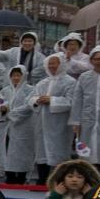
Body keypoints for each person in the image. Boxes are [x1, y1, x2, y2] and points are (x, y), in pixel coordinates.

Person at [28, 53, 77, 185]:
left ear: (61, 64)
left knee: (59, 154)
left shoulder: (70, 82)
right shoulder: (42, 82)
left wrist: (52, 100)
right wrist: (37, 100)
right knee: (42, 154)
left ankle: (61, 183)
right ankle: (42, 182)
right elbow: (31, 99)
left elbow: (71, 102)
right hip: (42, 125)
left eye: (55, 63)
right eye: (49, 63)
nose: (52, 66)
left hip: (60, 126)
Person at [0, 66, 37, 184]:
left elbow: (28, 106)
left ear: (23, 76)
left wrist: (11, 114)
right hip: (6, 127)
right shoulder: (5, 90)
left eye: (18, 75)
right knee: (6, 151)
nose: (15, 78)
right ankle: (9, 176)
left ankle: (21, 177)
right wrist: (2, 109)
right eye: (13, 75)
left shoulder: (30, 90)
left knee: (22, 154)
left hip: (23, 127)